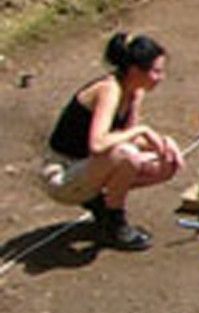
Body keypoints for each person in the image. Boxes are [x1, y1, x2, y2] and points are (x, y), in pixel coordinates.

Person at [40, 32, 183, 251]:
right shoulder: (109, 90)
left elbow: (127, 134)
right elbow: (98, 143)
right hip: (61, 174)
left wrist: (164, 143)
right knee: (126, 155)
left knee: (165, 164)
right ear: (135, 71)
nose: (161, 77)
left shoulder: (134, 91)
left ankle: (99, 202)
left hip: (88, 166)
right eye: (156, 71)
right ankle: (114, 222)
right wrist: (144, 130)